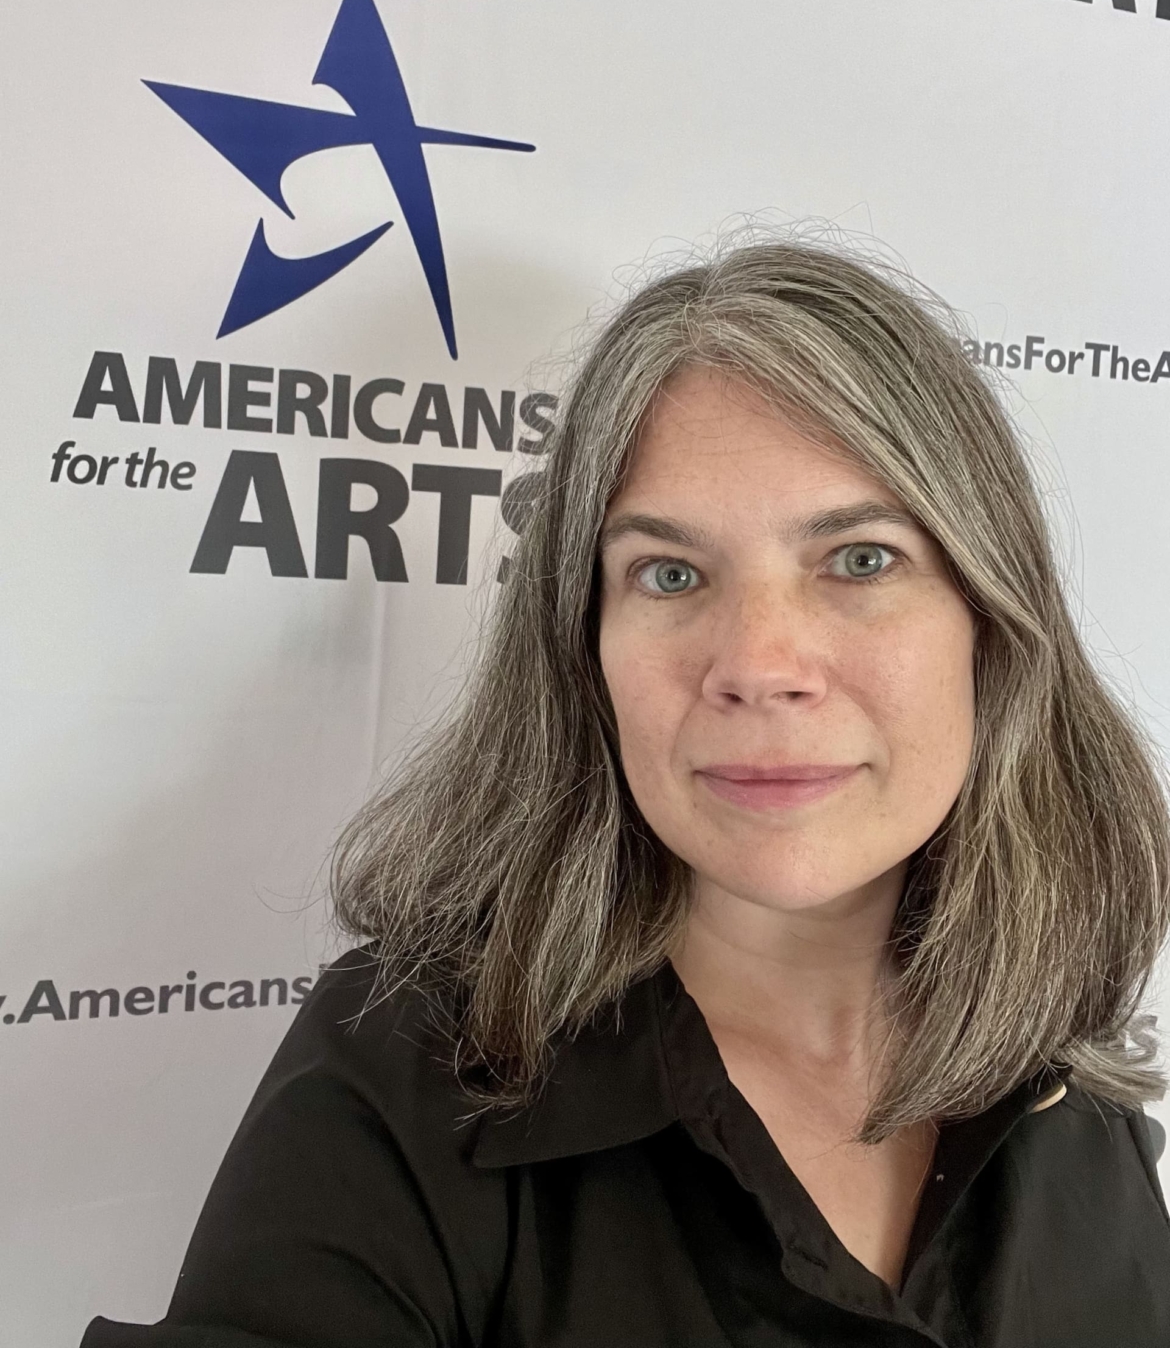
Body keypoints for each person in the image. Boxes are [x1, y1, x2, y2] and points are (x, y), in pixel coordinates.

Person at [82, 239, 1170, 1346]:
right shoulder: (410, 1075)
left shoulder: (1072, 1075)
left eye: (859, 560)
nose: (757, 662)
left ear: (989, 621)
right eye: (671, 573)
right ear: (583, 648)